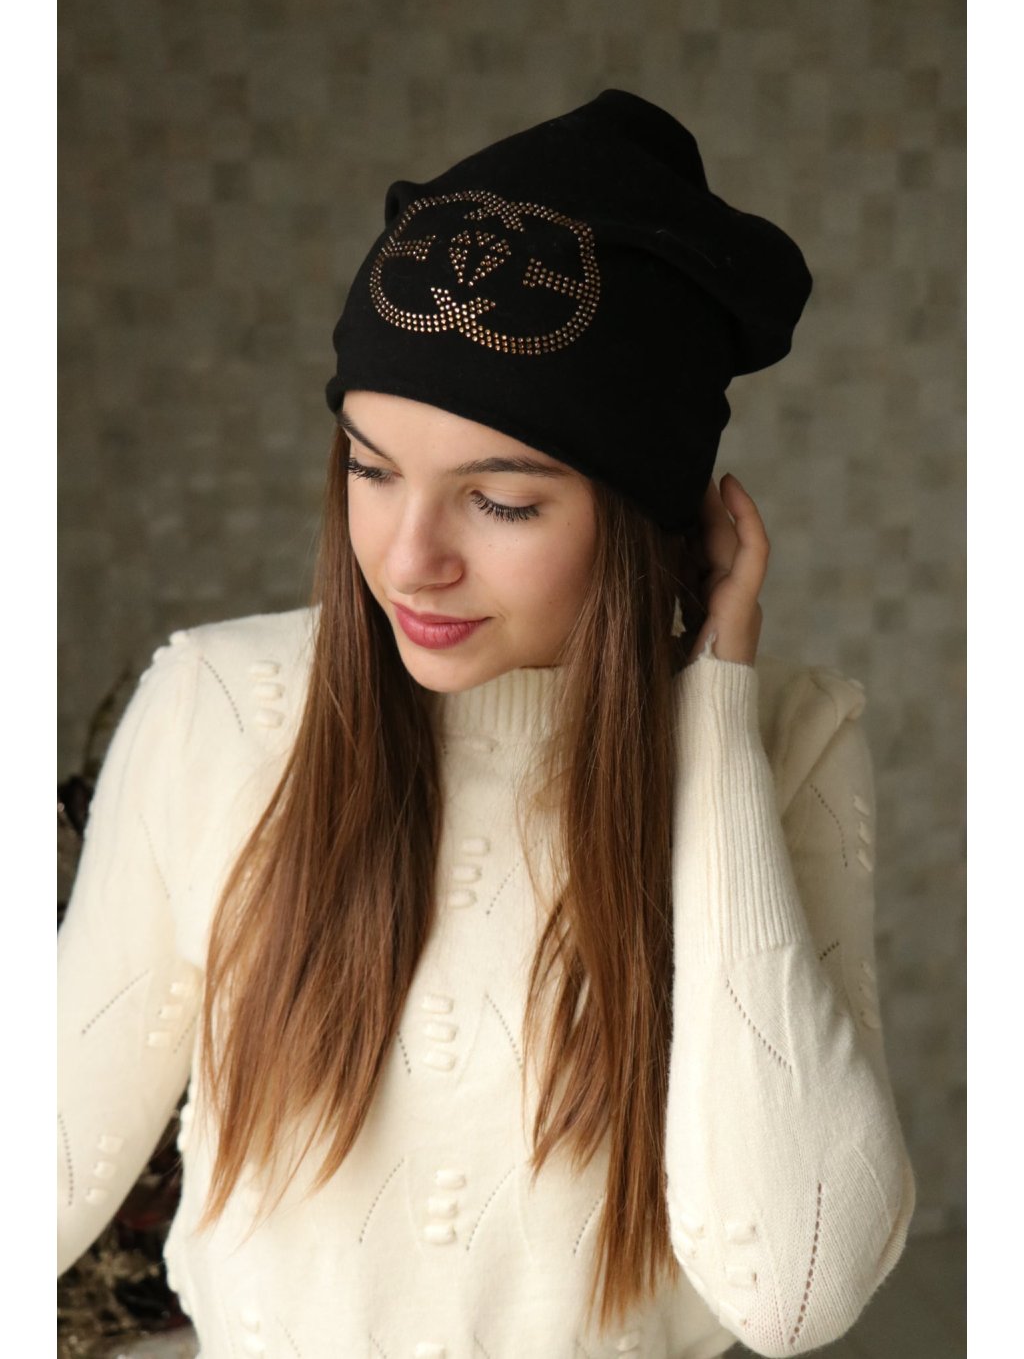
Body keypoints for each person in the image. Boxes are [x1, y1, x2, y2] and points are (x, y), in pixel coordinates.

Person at [57, 89, 916, 1358]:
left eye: (500, 502)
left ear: (645, 520)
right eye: (370, 468)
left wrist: (715, 725)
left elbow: (793, 1294)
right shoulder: (218, 706)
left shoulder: (785, 738)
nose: (408, 559)